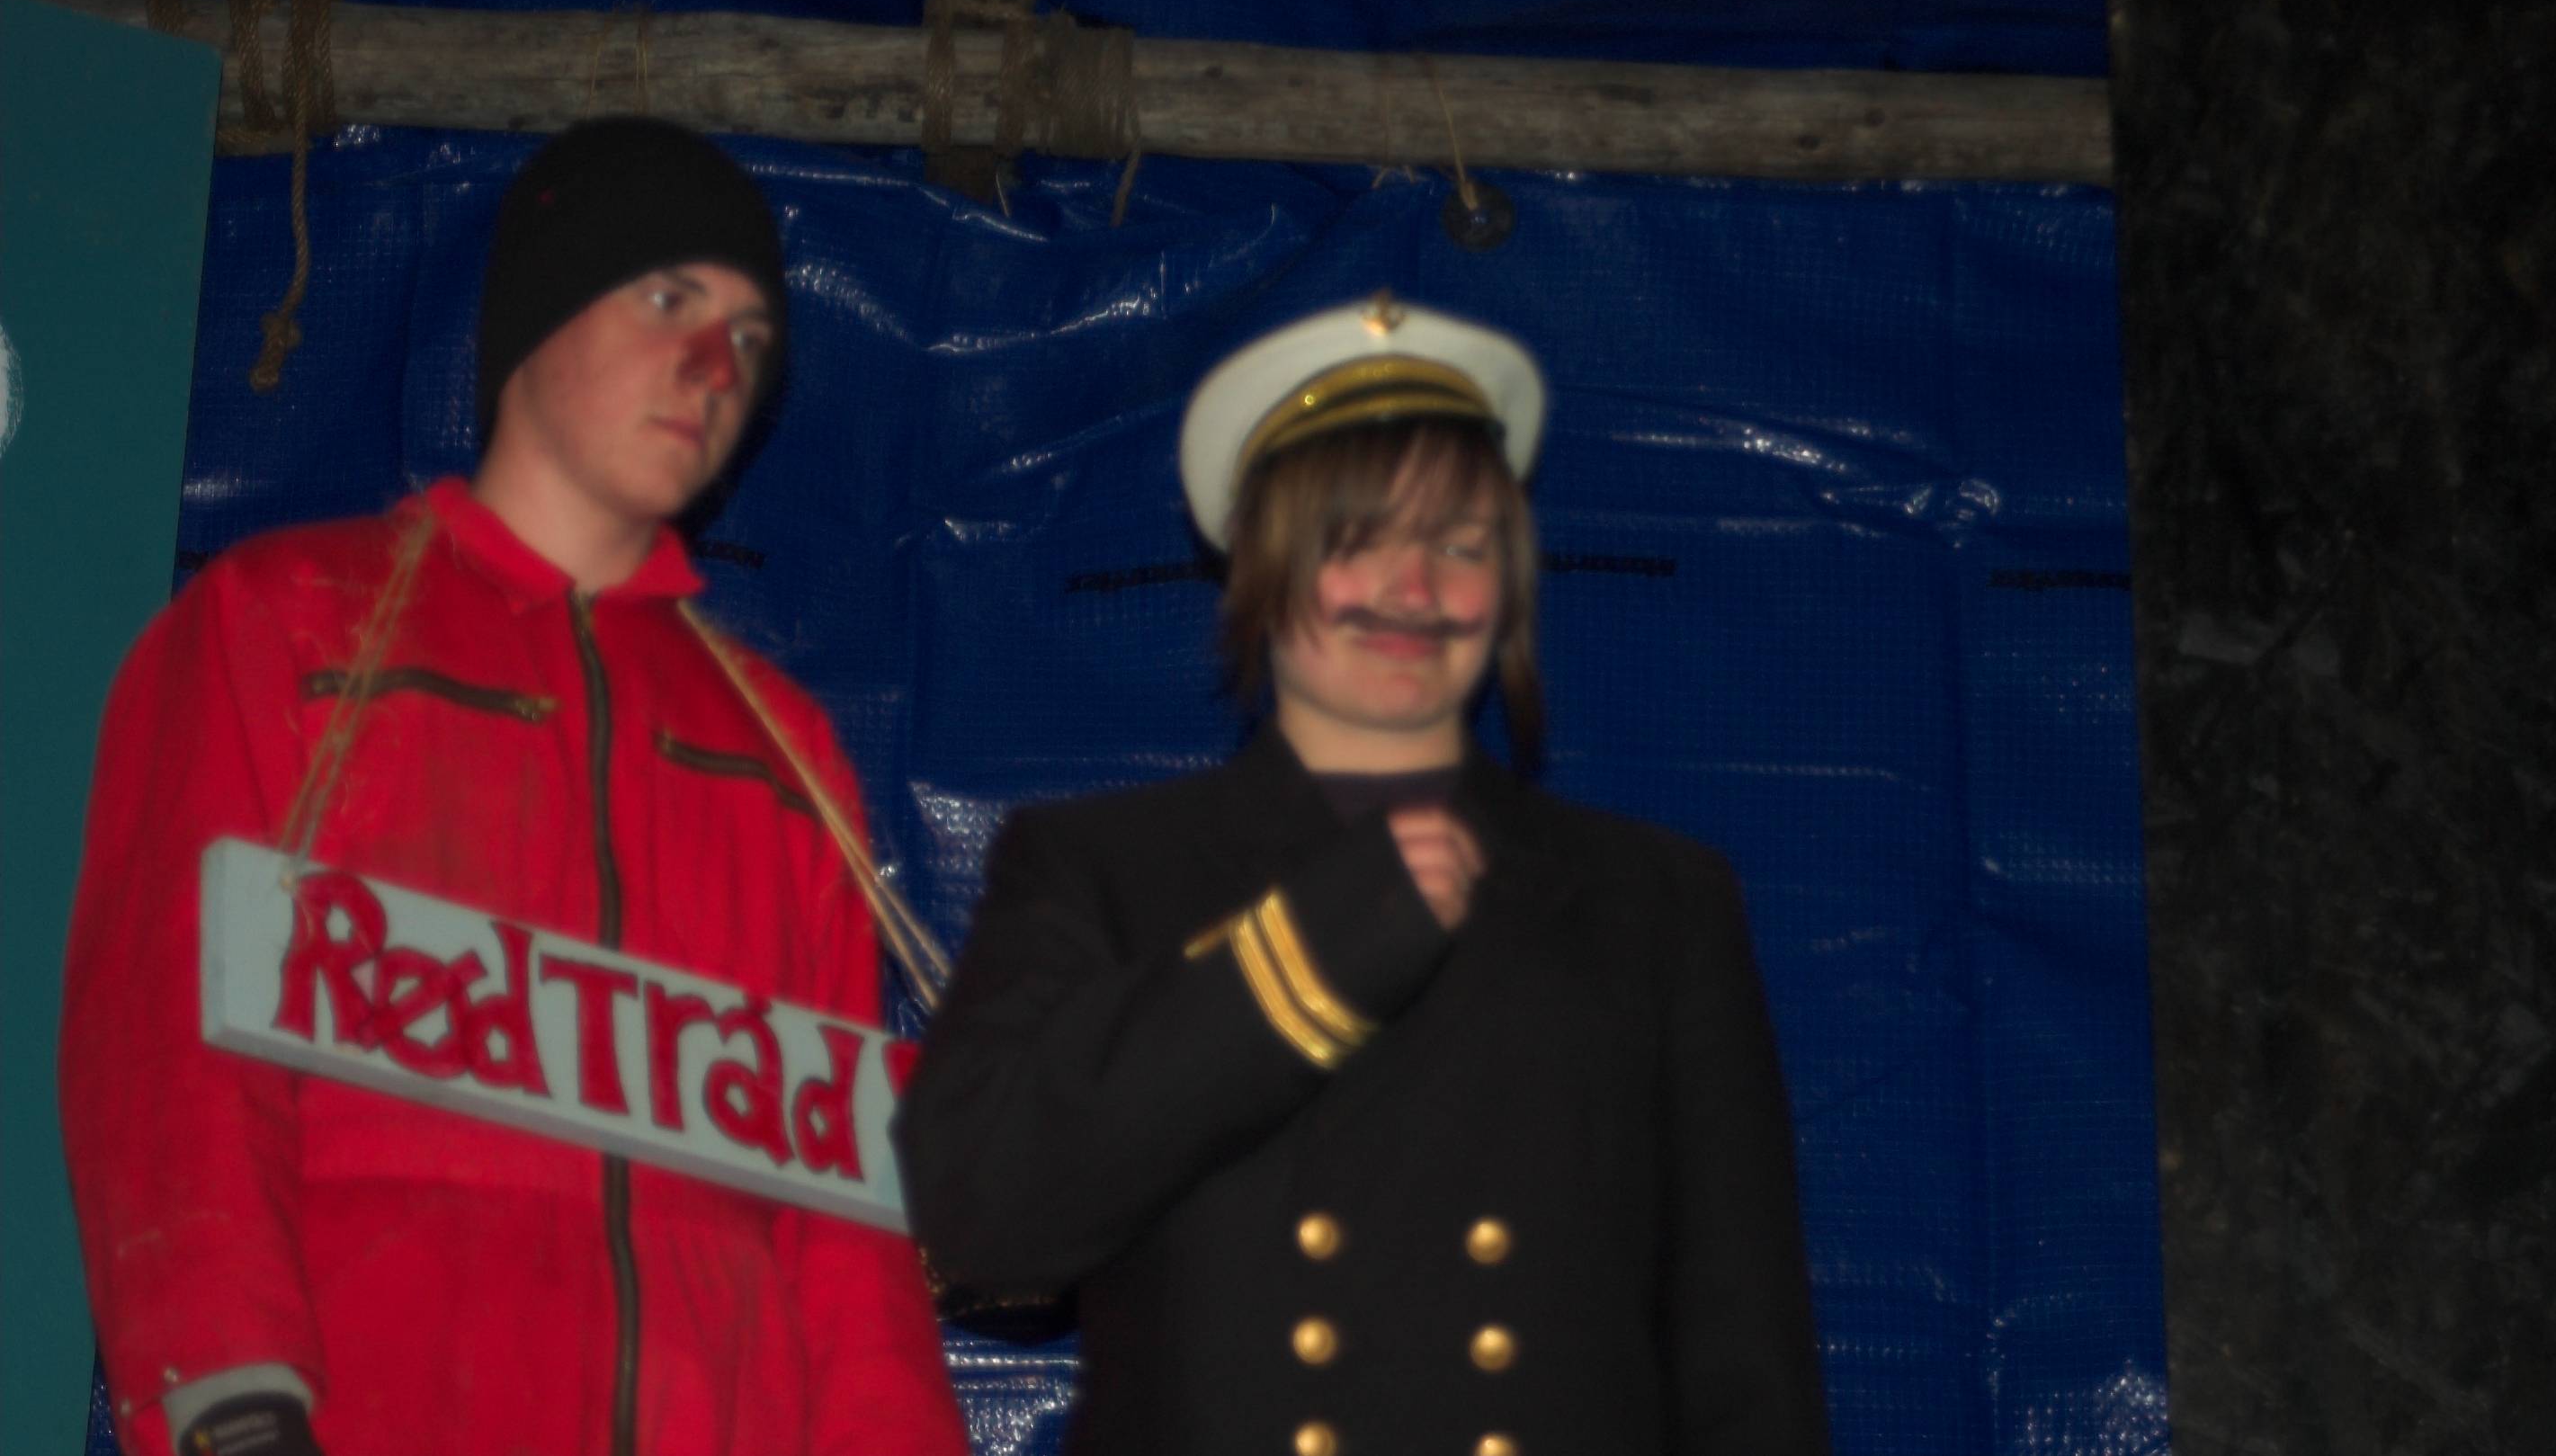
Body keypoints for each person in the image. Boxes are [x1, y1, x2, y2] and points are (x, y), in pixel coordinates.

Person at [59, 118, 969, 1456]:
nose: (717, 367)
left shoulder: (784, 754)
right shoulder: (284, 625)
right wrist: (233, 1407)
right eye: (669, 299)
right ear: (539, 311)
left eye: (751, 336)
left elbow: (847, 1235)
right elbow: (165, 1054)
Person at [900, 293, 1829, 1456]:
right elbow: (978, 1224)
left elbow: (1747, 1366)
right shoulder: (1100, 871)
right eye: (1358, 539)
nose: (1415, 589)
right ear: (1259, 563)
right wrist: (1309, 953)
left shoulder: (1657, 901)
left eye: (1460, 544)